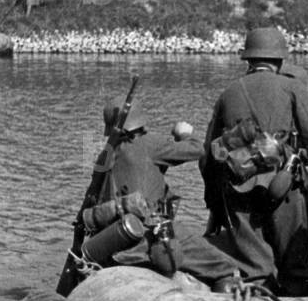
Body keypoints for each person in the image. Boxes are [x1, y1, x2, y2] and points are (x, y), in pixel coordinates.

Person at [201, 27, 308, 293]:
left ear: (248, 59)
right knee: (295, 265)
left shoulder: (229, 92)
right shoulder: (292, 87)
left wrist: (215, 202)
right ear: (280, 60)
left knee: (255, 268)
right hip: (282, 183)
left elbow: (208, 155)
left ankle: (256, 298)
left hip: (237, 183)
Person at [83, 106, 242, 289]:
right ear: (140, 122)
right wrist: (185, 134)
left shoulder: (105, 156)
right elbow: (197, 150)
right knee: (226, 267)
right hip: (147, 238)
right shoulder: (149, 143)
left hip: (112, 240)